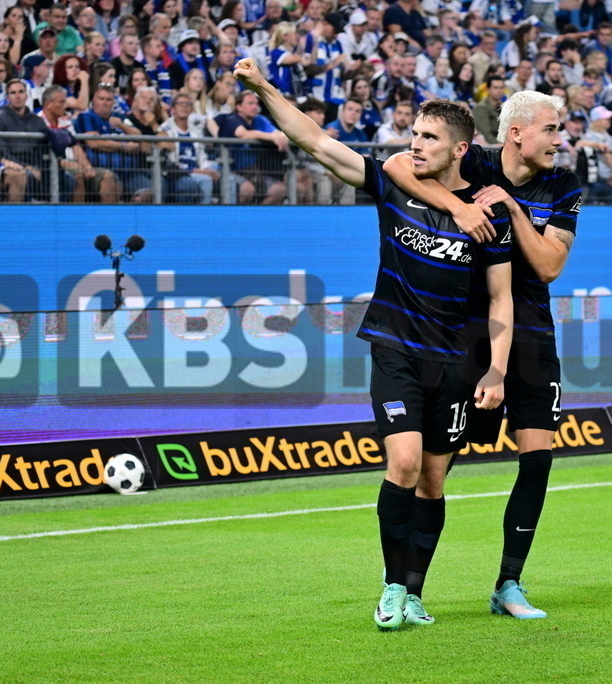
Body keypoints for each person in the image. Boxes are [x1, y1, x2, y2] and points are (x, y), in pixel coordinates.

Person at [234, 56, 513, 631]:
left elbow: (502, 299)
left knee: (434, 480)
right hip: (395, 349)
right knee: (404, 462)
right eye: (413, 133)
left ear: (459, 149)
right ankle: (390, 588)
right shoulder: (392, 184)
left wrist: (497, 372)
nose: (416, 144)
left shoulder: (488, 212)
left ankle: (415, 591)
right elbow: (315, 140)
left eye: (429, 137)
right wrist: (263, 86)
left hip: (457, 363)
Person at [383, 89, 581, 620]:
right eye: (551, 129)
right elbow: (400, 165)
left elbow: (547, 266)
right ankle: (409, 589)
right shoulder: (474, 160)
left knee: (537, 459)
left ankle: (509, 584)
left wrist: (513, 210)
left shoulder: (564, 185)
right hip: (469, 335)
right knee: (433, 471)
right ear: (516, 132)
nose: (559, 140)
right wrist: (457, 205)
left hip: (533, 334)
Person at [0, 78, 49, 202]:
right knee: (23, 175)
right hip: (8, 165)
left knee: (66, 177)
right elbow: (1, 152)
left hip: (35, 165)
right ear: (7, 97)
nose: (17, 96)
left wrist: (38, 167)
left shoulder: (38, 121)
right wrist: (26, 167)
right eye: (13, 93)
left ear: (26, 95)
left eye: (21, 92)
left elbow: (43, 149)